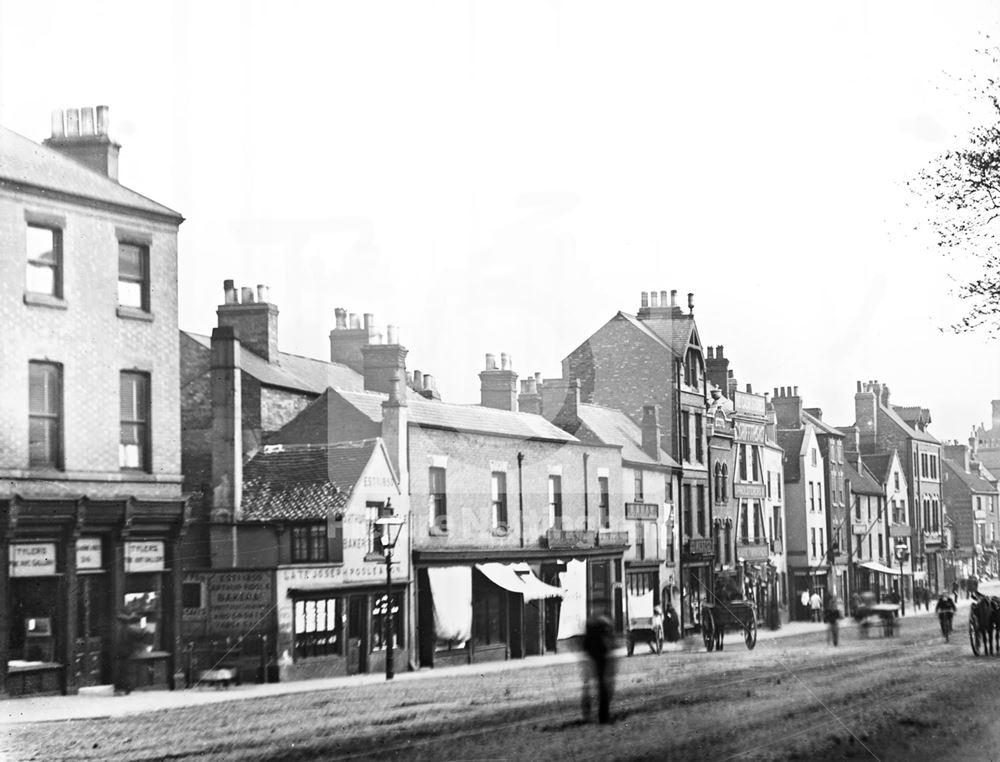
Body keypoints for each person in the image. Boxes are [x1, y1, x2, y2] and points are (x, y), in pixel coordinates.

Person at [582, 614, 617, 724]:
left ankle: (594, 713)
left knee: (598, 688)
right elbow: (609, 647)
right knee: (604, 689)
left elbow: (586, 647)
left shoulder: (592, 634)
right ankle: (603, 717)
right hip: (602, 662)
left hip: (595, 661)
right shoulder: (602, 636)